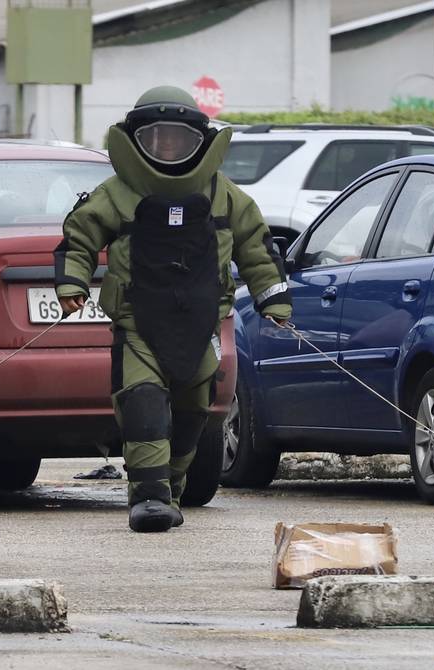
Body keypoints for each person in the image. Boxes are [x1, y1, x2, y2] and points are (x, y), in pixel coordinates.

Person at [54, 86, 292, 533]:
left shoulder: (226, 197)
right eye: (154, 138)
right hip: (137, 323)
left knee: (190, 414)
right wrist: (71, 284)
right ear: (135, 140)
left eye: (177, 139)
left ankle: (171, 486)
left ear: (198, 142)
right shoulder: (115, 194)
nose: (166, 147)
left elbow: (257, 249)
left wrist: (273, 298)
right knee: (143, 402)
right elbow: (78, 238)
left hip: (202, 322)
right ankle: (148, 496)